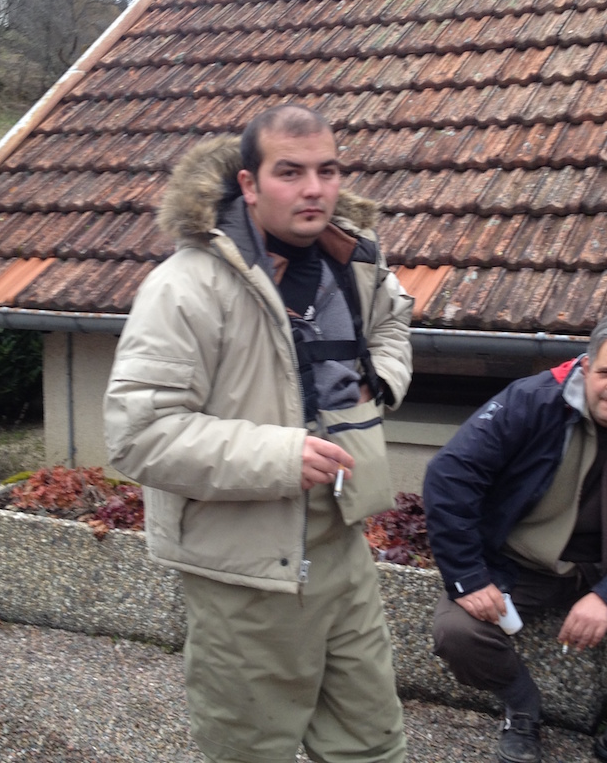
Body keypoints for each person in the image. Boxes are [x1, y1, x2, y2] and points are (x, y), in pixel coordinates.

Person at [104, 104, 415, 763]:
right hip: (244, 570)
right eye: (290, 172)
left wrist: (378, 381)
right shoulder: (186, 285)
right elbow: (139, 432)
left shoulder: (352, 261)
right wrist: (280, 455)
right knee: (250, 750)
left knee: (373, 745)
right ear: (249, 183)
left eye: (328, 171)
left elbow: (394, 321)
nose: (314, 189)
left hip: (343, 547)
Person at [423, 316, 607, 763]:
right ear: (585, 368)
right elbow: (449, 476)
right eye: (606, 371)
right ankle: (522, 709)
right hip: (522, 566)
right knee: (456, 631)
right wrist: (469, 575)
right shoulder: (531, 402)